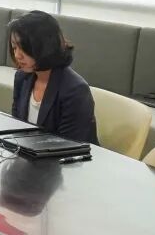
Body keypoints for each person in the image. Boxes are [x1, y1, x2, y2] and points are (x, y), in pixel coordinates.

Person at [9, 11, 98, 144]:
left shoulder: (75, 90)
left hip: (66, 156)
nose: (17, 55)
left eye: (24, 48)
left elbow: (70, 146)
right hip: (29, 153)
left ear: (45, 46)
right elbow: (16, 129)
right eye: (14, 47)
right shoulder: (22, 78)